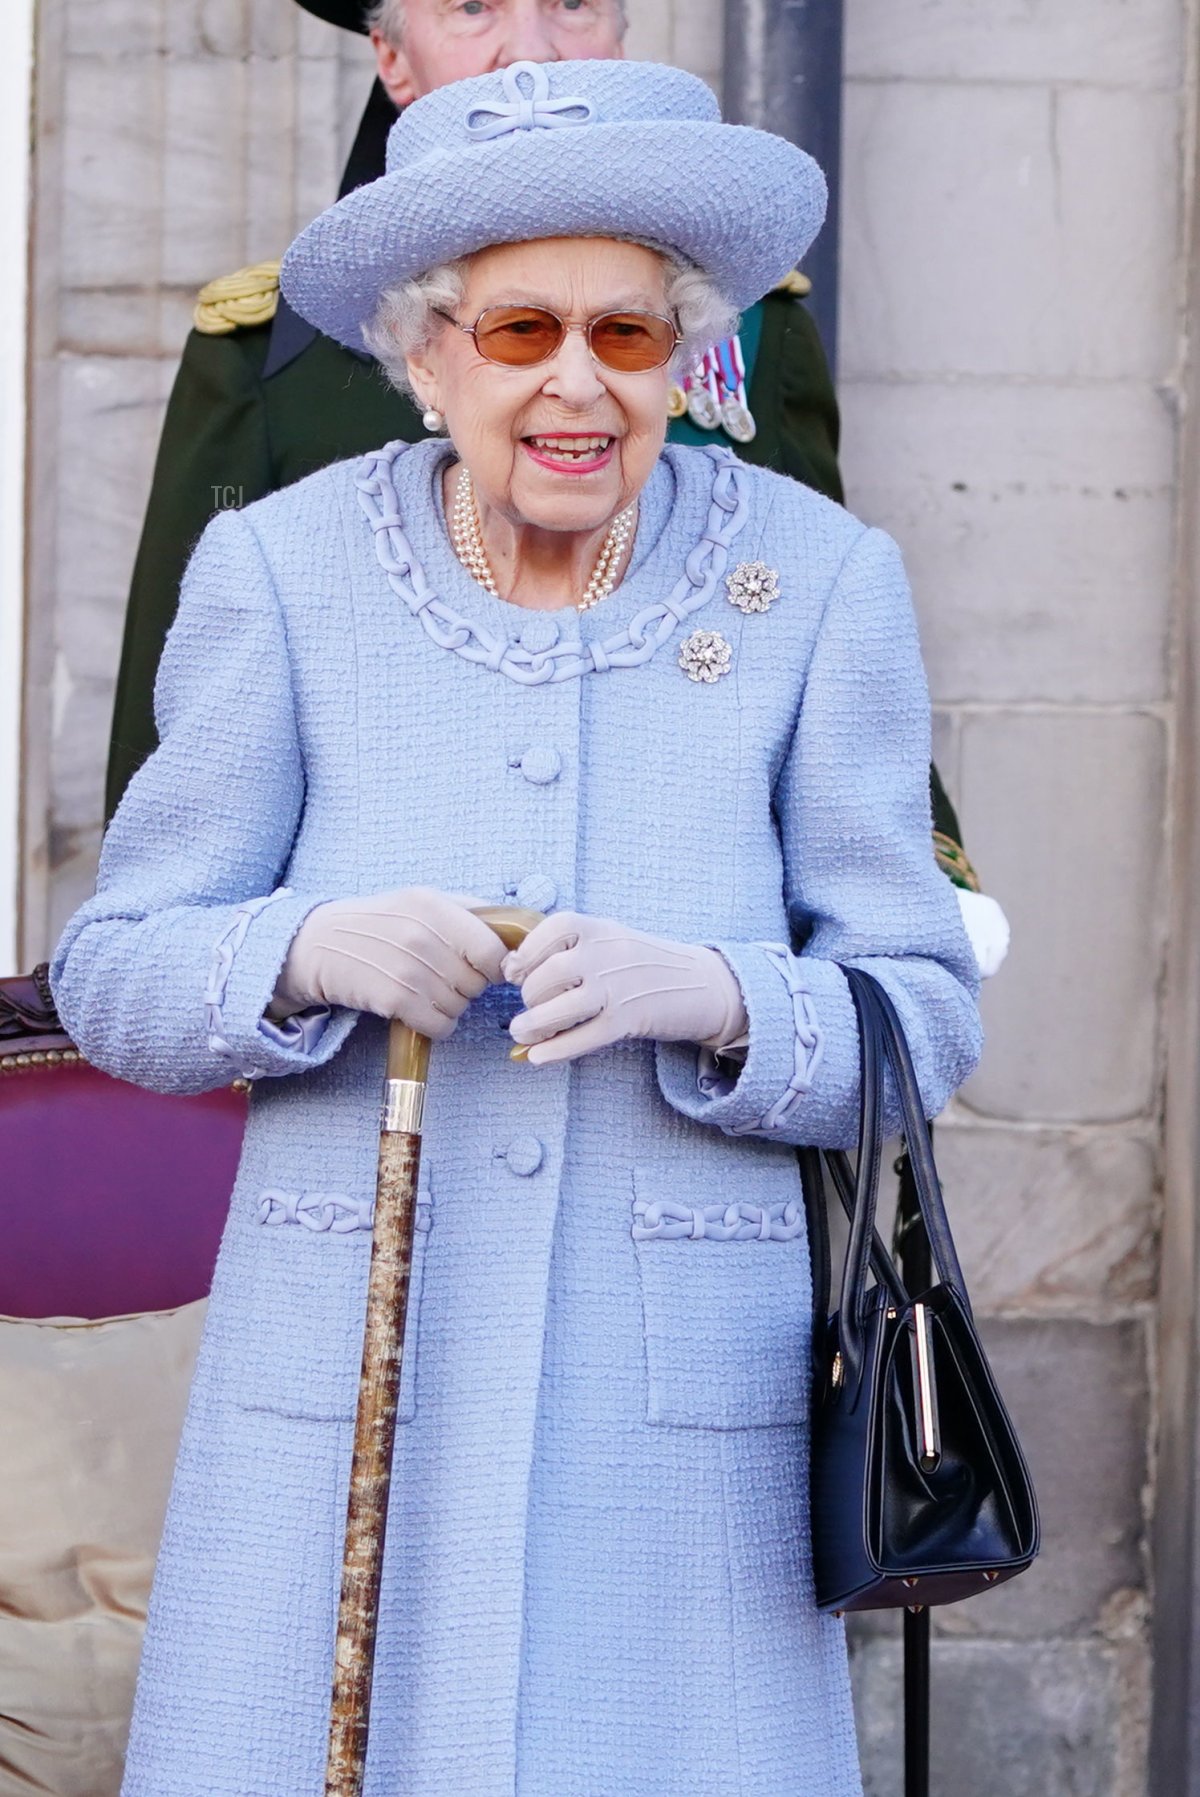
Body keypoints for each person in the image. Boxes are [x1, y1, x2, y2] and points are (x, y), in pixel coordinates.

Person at [54, 58, 982, 1795]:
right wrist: (308, 950)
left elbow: (919, 1010)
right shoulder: (283, 571)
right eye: (519, 330)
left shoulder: (817, 583)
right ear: (425, 356)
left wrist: (709, 993)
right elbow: (115, 973)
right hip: (347, 1399)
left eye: (626, 335)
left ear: (688, 355)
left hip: (678, 1439)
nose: (575, 384)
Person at [102, 0, 841, 824]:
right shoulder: (267, 359)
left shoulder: (759, 334)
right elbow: (178, 758)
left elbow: (822, 653)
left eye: (573, 2)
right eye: (470, 6)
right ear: (392, 58)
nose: (529, 52)